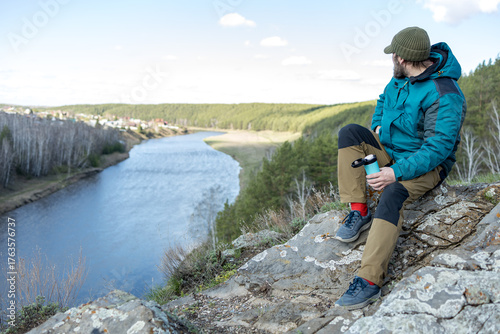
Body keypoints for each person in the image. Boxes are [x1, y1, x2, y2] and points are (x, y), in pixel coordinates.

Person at [334, 26, 466, 310]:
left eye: (392, 55)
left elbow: (438, 148)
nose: (391, 60)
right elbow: (382, 101)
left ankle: (369, 281)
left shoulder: (445, 93)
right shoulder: (400, 78)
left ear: (402, 57)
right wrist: (378, 124)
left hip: (428, 165)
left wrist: (395, 173)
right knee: (350, 133)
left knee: (393, 193)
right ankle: (359, 211)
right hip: (391, 152)